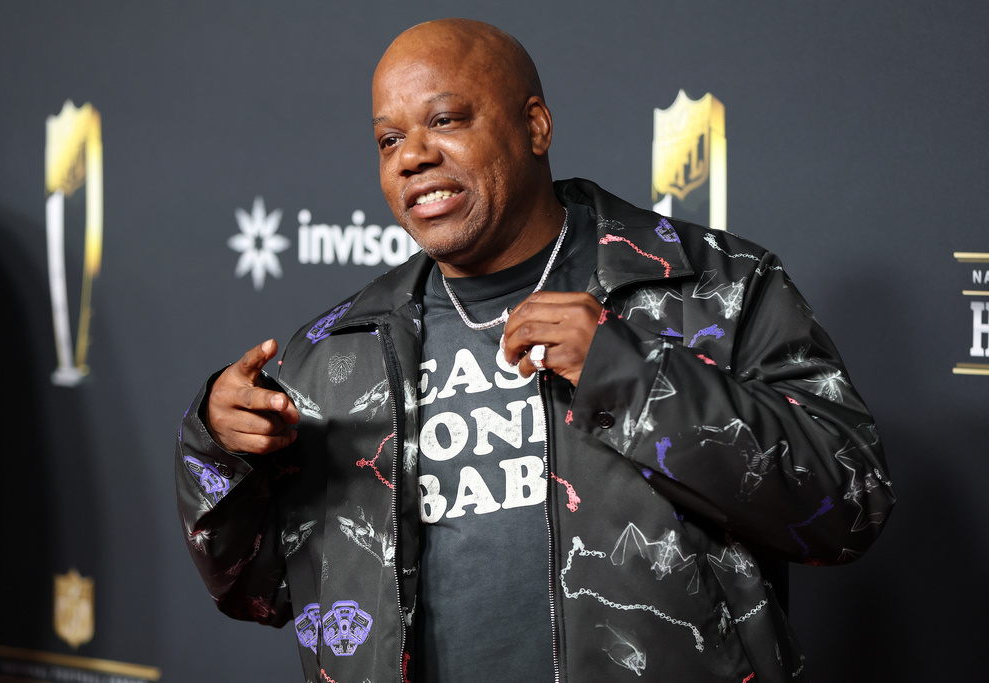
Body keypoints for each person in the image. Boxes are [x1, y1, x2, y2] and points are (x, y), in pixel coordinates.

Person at [176, 18, 894, 683]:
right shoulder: (336, 353)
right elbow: (261, 590)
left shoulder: (711, 289)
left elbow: (851, 502)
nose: (414, 156)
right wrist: (220, 453)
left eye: (445, 120)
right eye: (389, 140)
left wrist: (629, 376)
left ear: (535, 126)